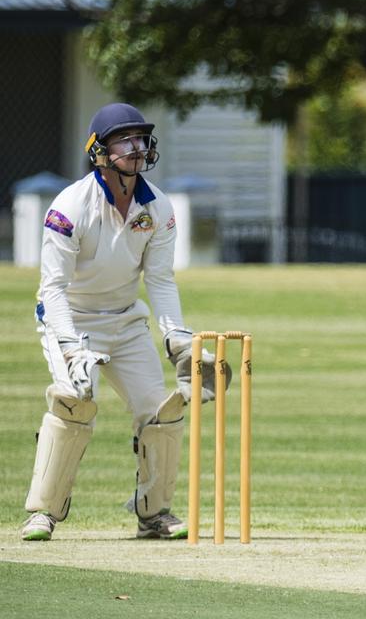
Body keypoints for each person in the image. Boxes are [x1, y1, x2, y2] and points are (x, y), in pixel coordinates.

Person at [20, 102, 222, 542]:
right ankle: (43, 514)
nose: (137, 148)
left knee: (162, 410)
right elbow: (51, 289)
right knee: (74, 402)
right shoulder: (69, 205)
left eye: (141, 139)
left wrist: (177, 338)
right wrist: (72, 349)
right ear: (98, 150)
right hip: (69, 320)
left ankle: (154, 514)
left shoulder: (159, 207)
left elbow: (161, 278)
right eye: (124, 140)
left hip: (126, 322)